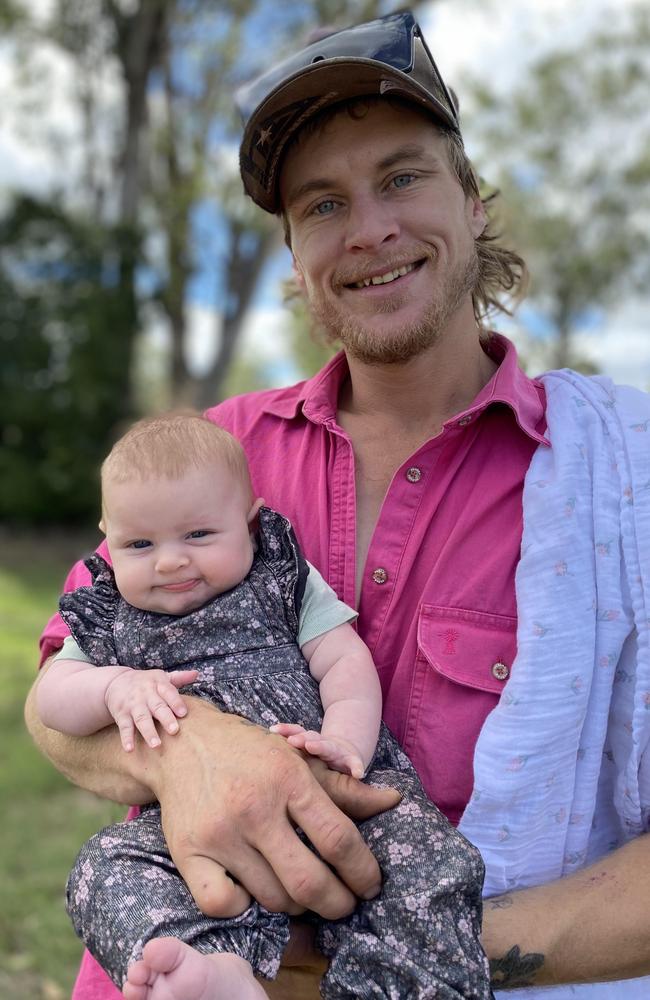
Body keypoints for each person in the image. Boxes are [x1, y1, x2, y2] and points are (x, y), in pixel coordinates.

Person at [25, 10, 650, 1000]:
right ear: (291, 255)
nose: (367, 230)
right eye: (320, 204)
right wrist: (184, 752)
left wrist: (405, 946)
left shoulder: (618, 480)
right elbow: (57, 699)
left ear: (475, 201)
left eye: (400, 177)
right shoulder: (206, 459)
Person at [35, 411, 492, 1000]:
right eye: (139, 544)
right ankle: (212, 971)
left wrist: (346, 741)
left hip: (337, 797)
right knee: (105, 870)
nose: (170, 561)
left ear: (250, 524)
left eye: (198, 536)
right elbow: (52, 697)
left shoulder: (282, 580)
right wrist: (112, 687)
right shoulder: (111, 617)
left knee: (432, 865)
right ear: (108, 536)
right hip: (193, 835)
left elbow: (344, 664)